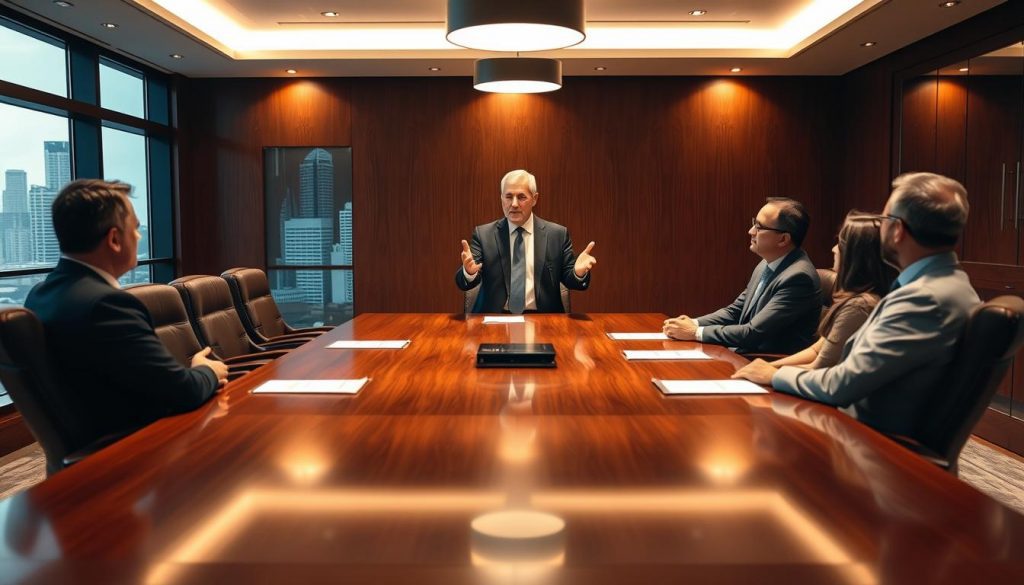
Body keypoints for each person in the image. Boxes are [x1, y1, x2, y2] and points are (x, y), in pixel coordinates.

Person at [732, 172, 979, 438]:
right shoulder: (951, 284)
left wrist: (774, 376)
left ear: (897, 231)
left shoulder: (923, 299)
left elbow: (841, 384)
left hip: (868, 444)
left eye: (885, 219)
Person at [25, 179, 228, 455]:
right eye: (135, 228)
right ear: (114, 239)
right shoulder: (107, 305)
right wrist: (207, 370)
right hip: (136, 455)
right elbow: (183, 392)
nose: (139, 237)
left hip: (92, 454)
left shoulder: (39, 295)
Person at [663, 197, 821, 354]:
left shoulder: (799, 278)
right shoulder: (766, 264)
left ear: (783, 239)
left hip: (767, 363)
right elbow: (735, 311)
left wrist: (695, 332)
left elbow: (753, 333)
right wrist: (693, 323)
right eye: (754, 223)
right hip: (744, 354)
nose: (751, 231)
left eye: (759, 227)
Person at [764, 212, 896, 369]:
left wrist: (771, 373)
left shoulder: (859, 307)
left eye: (840, 244)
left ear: (857, 255)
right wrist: (768, 367)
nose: (834, 249)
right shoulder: (854, 298)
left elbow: (821, 367)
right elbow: (815, 351)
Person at [455, 169, 596, 313]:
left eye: (521, 197)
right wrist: (469, 272)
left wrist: (578, 273)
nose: (514, 204)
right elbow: (463, 283)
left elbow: (571, 280)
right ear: (501, 198)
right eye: (508, 196)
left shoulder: (557, 235)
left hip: (544, 319)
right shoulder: (484, 235)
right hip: (496, 318)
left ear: (534, 199)